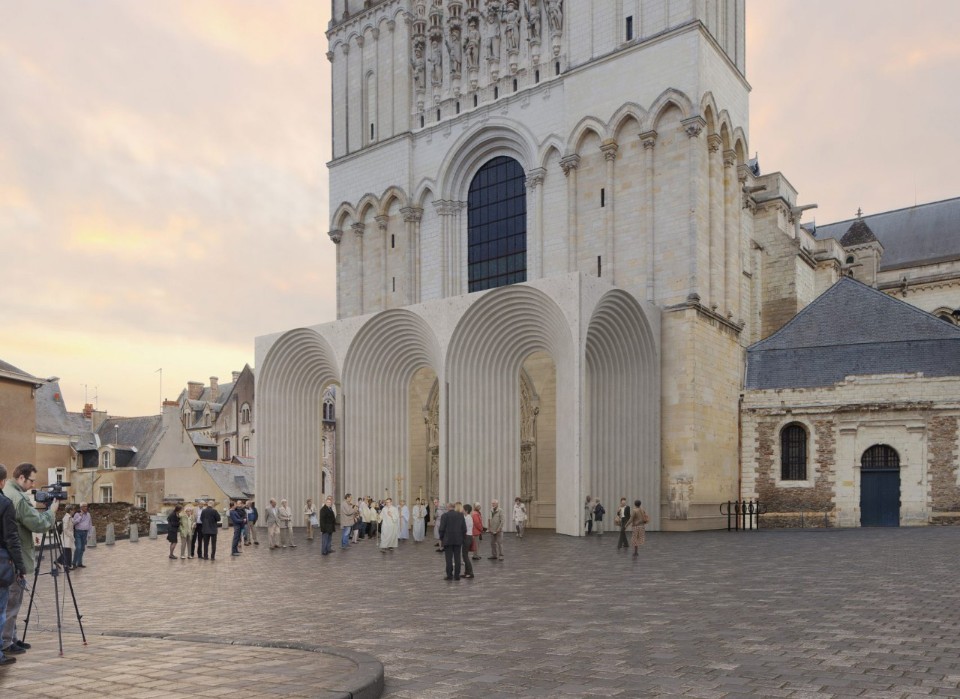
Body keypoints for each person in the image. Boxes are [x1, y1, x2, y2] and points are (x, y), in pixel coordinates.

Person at [2, 462, 58, 657]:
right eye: (31, 480)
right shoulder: (17, 498)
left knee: (11, 602)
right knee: (12, 602)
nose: (33, 485)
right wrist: (51, 512)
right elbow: (37, 523)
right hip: (14, 559)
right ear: (21, 478)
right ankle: (6, 642)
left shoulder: (9, 492)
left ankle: (11, 638)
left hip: (9, 558)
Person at [0, 464, 27, 667]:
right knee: (1, 609)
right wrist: (20, 566)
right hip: (1, 561)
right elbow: (11, 538)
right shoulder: (5, 503)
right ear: (2, 481)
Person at [438, 501, 466, 581]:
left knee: (449, 559)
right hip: (458, 539)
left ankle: (449, 575)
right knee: (457, 558)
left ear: (448, 507)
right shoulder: (460, 515)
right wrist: (462, 537)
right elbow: (464, 528)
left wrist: (441, 538)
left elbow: (442, 528)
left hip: (448, 540)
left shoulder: (445, 516)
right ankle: (457, 576)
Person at [72, 501, 92, 567]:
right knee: (78, 548)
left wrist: (89, 533)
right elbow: (74, 523)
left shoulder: (88, 514)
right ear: (81, 507)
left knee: (82, 548)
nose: (86, 507)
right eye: (84, 506)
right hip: (78, 532)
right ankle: (74, 563)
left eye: (86, 506)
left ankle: (79, 563)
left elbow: (90, 524)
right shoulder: (77, 514)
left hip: (85, 533)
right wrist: (80, 517)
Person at [460, 503, 475, 579]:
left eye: (463, 509)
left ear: (466, 510)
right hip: (468, 537)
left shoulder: (467, 518)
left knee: (465, 556)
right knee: (464, 555)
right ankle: (466, 572)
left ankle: (470, 573)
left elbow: (463, 528)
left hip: (467, 537)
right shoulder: (467, 517)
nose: (462, 510)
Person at [59, 504, 75, 569]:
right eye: (73, 510)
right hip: (66, 537)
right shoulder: (67, 518)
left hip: (68, 537)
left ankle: (66, 565)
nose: (74, 511)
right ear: (70, 510)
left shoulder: (70, 517)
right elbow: (65, 529)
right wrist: (70, 535)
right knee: (67, 551)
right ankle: (67, 565)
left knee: (67, 551)